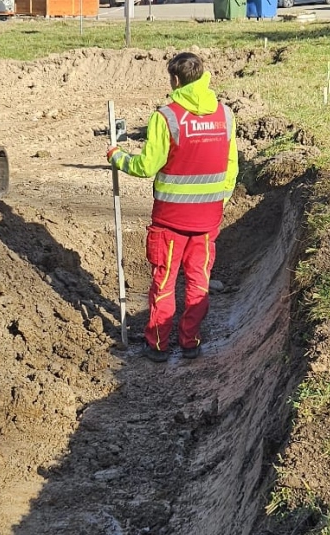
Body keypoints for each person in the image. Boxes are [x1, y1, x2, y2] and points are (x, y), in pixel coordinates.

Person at [106, 52, 238, 363]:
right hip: (208, 222)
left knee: (164, 283)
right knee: (198, 282)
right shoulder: (226, 115)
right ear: (202, 76)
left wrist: (117, 156)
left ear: (175, 80)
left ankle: (158, 346)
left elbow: (146, 165)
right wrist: (219, 201)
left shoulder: (166, 117)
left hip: (169, 221)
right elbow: (231, 166)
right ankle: (190, 342)